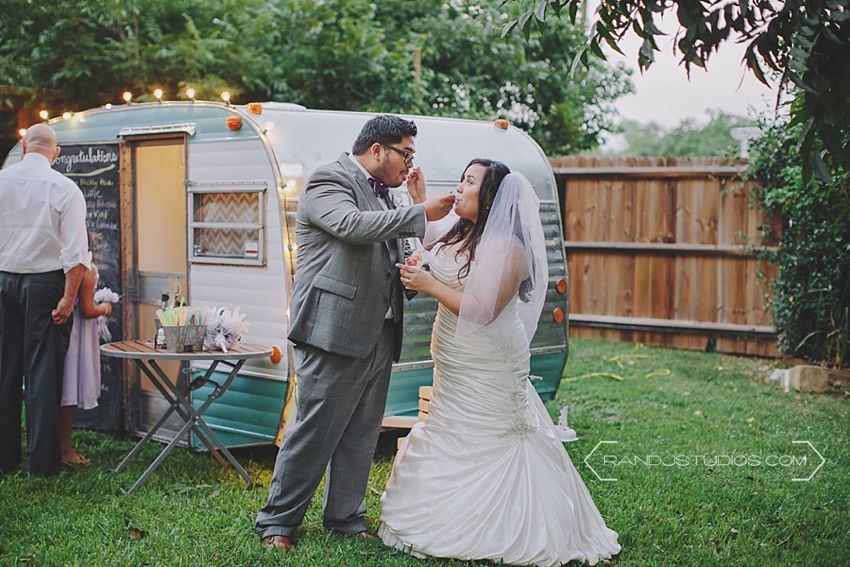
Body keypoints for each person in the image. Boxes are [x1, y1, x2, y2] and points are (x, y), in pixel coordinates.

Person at [381, 159, 621, 566]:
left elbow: (480, 309)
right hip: (454, 363)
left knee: (491, 435)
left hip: (488, 361)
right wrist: (419, 202)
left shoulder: (510, 248)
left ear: (491, 197)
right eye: (460, 179)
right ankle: (443, 514)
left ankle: (512, 525)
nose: (459, 188)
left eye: (469, 182)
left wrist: (428, 284)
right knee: (449, 430)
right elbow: (443, 253)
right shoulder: (467, 232)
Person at [255, 115, 455, 550]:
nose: (409, 163)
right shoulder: (329, 180)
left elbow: (394, 245)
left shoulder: (389, 196)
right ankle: (278, 522)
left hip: (381, 330)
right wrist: (420, 212)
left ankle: (345, 516)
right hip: (333, 327)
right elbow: (351, 226)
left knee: (363, 430)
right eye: (406, 153)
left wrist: (412, 268)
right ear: (378, 150)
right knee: (315, 429)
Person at [0, 124, 90, 477]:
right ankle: (41, 463)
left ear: (23, 147)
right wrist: (68, 299)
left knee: (4, 371)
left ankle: (5, 459)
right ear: (56, 153)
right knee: (42, 373)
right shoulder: (65, 189)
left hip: (3, 279)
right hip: (45, 285)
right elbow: (75, 255)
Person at [59, 252, 112, 466]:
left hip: (63, 331)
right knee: (69, 390)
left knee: (60, 388)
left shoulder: (59, 266)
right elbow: (88, 310)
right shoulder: (86, 269)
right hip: (78, 335)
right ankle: (65, 448)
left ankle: (55, 444)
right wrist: (106, 307)